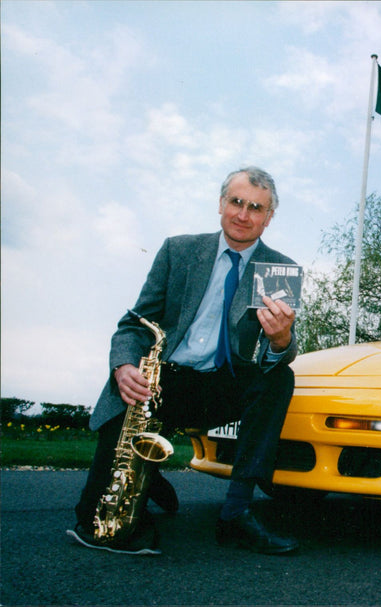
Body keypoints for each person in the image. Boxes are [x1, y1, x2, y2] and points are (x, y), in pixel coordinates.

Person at [70, 166, 299, 555]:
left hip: (225, 384)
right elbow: (134, 324)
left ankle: (236, 513)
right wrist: (124, 367)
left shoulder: (281, 269)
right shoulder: (178, 250)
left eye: (256, 208)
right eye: (237, 202)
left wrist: (281, 339)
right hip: (162, 381)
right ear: (221, 203)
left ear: (269, 217)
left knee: (280, 379)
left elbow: (276, 355)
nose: (243, 215)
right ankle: (147, 474)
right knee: (93, 518)